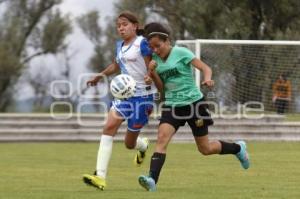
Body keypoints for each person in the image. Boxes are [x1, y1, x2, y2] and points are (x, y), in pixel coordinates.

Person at [138, 22, 250, 192]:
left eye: (158, 46)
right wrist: (152, 74)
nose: (155, 50)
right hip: (172, 105)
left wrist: (207, 78)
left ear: (167, 41)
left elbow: (206, 68)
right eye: (152, 47)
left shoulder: (181, 52)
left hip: (194, 104)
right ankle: (152, 180)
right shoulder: (155, 62)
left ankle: (238, 148)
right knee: (161, 139)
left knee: (205, 149)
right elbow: (162, 89)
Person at [82, 11, 157, 190]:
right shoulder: (120, 46)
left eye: (124, 24)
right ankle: (100, 176)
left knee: (129, 144)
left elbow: (152, 66)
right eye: (118, 25)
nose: (121, 28)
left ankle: (143, 145)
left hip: (143, 98)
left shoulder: (142, 43)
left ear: (135, 26)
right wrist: (100, 75)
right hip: (124, 96)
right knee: (108, 128)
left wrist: (149, 76)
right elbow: (116, 65)